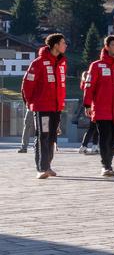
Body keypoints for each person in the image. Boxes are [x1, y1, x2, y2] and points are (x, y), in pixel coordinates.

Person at [82, 35, 114, 176]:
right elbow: (89, 87)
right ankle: (106, 166)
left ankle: (108, 164)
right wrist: (87, 105)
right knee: (105, 137)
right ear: (106, 47)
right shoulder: (96, 66)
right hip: (101, 110)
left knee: (113, 140)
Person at [21, 33, 69, 179]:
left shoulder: (62, 63)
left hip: (56, 107)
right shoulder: (38, 63)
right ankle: (41, 169)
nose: (65, 45)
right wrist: (30, 103)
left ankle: (48, 166)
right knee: (43, 136)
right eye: (63, 43)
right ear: (55, 45)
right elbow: (27, 85)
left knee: (52, 137)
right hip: (42, 107)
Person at [76, 71, 99, 155]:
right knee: (93, 128)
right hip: (94, 107)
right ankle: (84, 146)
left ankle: (93, 146)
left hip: (91, 108)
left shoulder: (84, 85)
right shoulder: (90, 86)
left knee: (95, 128)